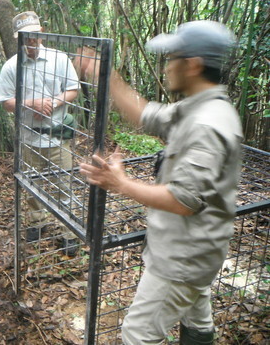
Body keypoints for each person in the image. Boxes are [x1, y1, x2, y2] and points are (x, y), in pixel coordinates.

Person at [79, 21, 242, 345]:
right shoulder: (198, 107)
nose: (167, 65)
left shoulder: (207, 123)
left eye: (172, 58)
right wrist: (108, 78)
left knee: (138, 334)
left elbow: (183, 200)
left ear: (193, 65)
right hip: (195, 252)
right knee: (197, 317)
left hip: (183, 259)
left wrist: (120, 183)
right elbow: (147, 115)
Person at [0, 11, 81, 256]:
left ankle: (68, 231)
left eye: (35, 34)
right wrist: (31, 103)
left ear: (42, 33)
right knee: (32, 184)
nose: (32, 40)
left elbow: (73, 89)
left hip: (56, 134)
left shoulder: (59, 58)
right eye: (26, 36)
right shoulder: (12, 66)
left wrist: (53, 103)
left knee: (64, 184)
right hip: (29, 136)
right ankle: (37, 221)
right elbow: (5, 101)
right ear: (18, 38)